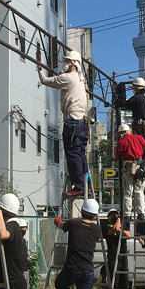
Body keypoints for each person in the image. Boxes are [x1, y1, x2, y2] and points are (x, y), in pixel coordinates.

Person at [38, 50, 89, 198]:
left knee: (73, 155)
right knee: (80, 154)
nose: (65, 63)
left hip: (72, 122)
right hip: (83, 123)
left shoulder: (68, 78)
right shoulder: (81, 78)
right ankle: (85, 183)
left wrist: (39, 68)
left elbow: (45, 81)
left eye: (67, 61)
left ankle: (78, 186)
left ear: (73, 64)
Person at [53, 199, 103, 289]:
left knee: (60, 284)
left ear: (82, 210)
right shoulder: (97, 229)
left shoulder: (73, 223)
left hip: (72, 268)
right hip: (88, 270)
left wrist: (57, 221)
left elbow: (61, 225)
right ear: (94, 215)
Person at [115, 123, 145, 220]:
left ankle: (127, 215)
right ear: (129, 131)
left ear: (120, 133)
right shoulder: (138, 138)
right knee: (139, 191)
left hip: (128, 167)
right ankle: (141, 213)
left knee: (128, 192)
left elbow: (118, 156)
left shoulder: (121, 141)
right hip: (139, 166)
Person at [103, 209, 132, 289]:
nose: (114, 217)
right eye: (112, 216)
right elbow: (114, 229)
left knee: (124, 281)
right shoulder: (107, 227)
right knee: (114, 281)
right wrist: (118, 220)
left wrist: (120, 228)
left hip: (123, 257)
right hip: (112, 256)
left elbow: (128, 234)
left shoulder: (122, 227)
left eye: (115, 215)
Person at [16, 218, 31, 289]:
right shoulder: (16, 242)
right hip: (18, 270)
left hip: (25, 269)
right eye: (22, 228)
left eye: (25, 228)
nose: (24, 230)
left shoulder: (23, 241)